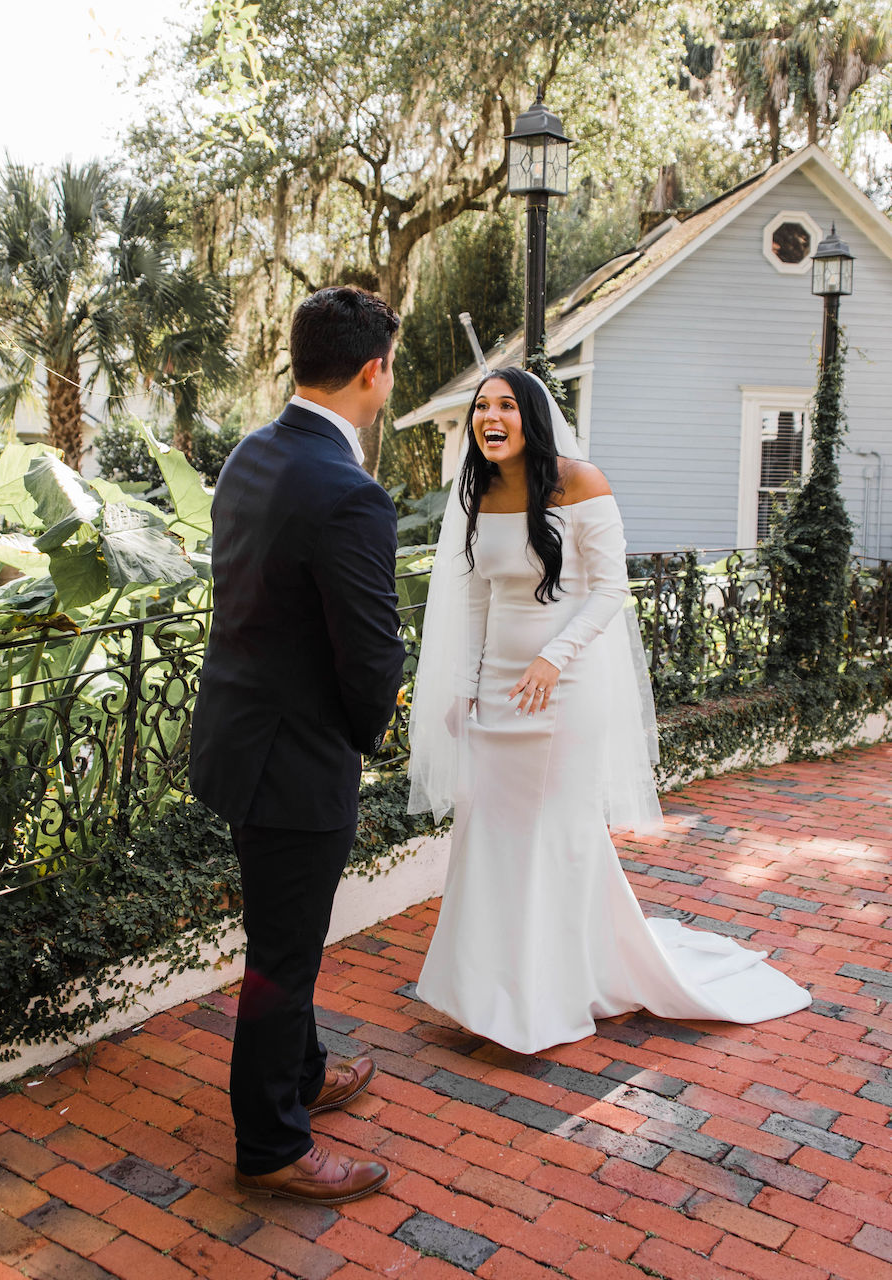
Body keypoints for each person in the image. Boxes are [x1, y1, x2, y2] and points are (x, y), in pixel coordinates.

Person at [408, 366, 811, 1055]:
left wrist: (552, 657)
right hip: (498, 690)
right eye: (481, 407)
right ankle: (485, 990)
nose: (489, 416)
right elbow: (476, 601)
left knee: (555, 833)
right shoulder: (480, 494)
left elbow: (609, 589)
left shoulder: (581, 482)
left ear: (531, 416)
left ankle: (550, 993)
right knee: (492, 833)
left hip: (565, 689)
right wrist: (465, 688)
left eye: (505, 404)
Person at [189, 286, 407, 1203]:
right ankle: (272, 1143)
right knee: (284, 954)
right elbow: (370, 651)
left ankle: (307, 1071)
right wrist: (368, 731)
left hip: (238, 732)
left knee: (287, 935)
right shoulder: (349, 492)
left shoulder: (252, 450)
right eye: (392, 367)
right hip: (295, 755)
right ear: (372, 371)